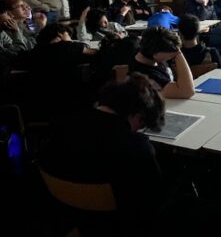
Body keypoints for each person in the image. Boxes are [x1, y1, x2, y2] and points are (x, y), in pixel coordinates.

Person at [40, 73, 167, 235]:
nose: (138, 130)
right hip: (121, 224)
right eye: (141, 124)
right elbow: (153, 199)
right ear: (138, 115)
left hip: (72, 216)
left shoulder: (58, 126)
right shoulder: (134, 145)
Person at [129, 26, 195, 99]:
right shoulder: (148, 77)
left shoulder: (144, 51)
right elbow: (188, 91)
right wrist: (179, 54)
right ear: (156, 54)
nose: (173, 55)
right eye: (170, 54)